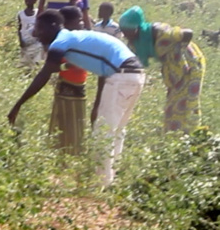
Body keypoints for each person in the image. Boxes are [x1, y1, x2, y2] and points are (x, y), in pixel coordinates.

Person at [8, 10, 146, 186]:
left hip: (122, 76)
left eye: (39, 28)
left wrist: (17, 105)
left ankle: (100, 184)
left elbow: (44, 74)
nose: (36, 32)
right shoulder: (74, 38)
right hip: (134, 75)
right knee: (116, 130)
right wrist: (97, 105)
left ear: (53, 27)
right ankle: (110, 179)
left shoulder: (62, 40)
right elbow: (97, 68)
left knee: (104, 132)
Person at [119, 6, 206, 133]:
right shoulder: (135, 42)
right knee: (173, 103)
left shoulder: (158, 31)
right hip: (174, 71)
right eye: (123, 31)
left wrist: (178, 53)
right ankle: (174, 134)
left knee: (188, 101)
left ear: (136, 28)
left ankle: (191, 135)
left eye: (128, 31)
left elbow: (188, 33)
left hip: (190, 66)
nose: (125, 35)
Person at [49, 6, 90, 155]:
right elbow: (54, 64)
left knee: (77, 125)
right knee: (63, 125)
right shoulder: (64, 40)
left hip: (78, 88)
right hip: (66, 87)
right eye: (78, 20)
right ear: (67, 23)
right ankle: (61, 159)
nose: (81, 23)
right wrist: (67, 65)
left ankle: (74, 158)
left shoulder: (81, 39)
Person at [17, 0, 42, 67]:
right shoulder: (21, 14)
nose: (28, 1)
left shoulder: (38, 13)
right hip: (25, 43)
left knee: (36, 63)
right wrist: (21, 41)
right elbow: (19, 28)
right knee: (25, 63)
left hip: (36, 43)